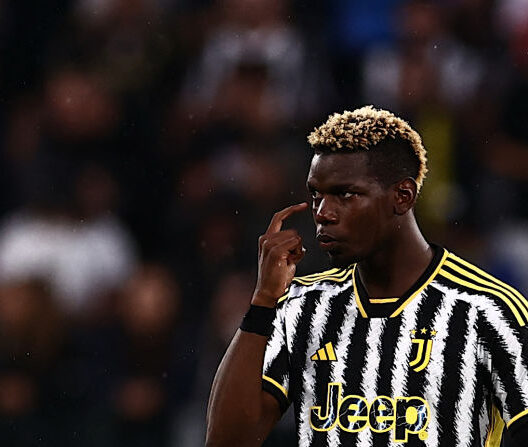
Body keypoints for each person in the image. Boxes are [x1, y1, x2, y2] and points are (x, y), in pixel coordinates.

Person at [206, 105, 528, 447]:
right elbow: (226, 442)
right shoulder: (300, 306)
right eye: (316, 195)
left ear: (402, 196)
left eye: (345, 194)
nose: (323, 213)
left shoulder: (487, 310)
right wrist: (263, 301)